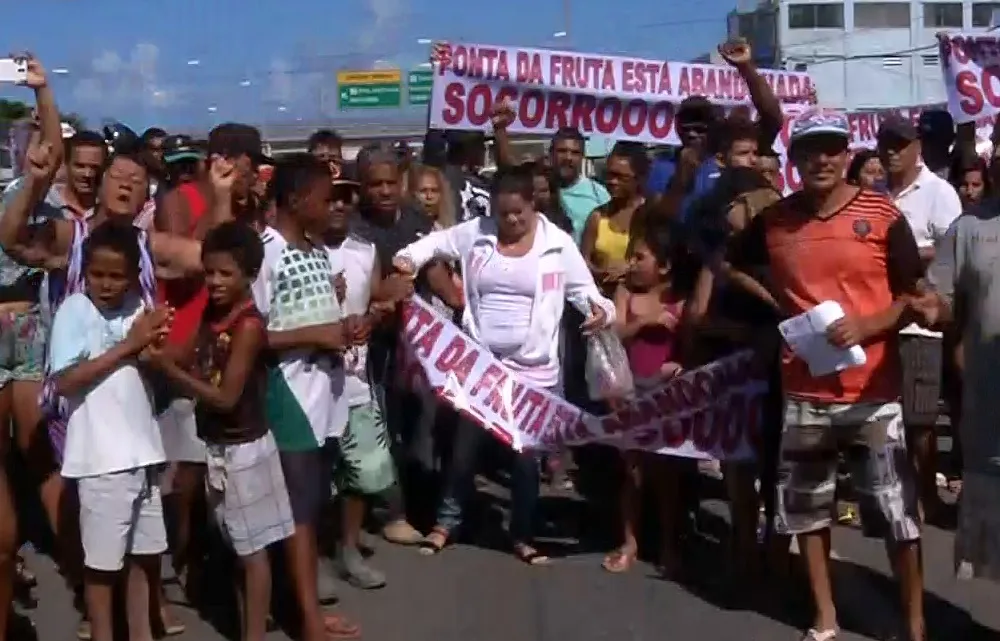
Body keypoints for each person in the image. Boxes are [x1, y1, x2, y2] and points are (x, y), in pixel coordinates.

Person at [729, 108, 928, 641]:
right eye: (809, 150)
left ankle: (914, 626)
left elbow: (914, 297)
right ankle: (825, 615)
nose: (821, 159)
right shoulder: (774, 221)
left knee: (898, 520)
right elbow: (728, 260)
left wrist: (868, 325)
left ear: (846, 155)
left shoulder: (883, 215)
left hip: (874, 394)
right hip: (804, 392)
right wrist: (779, 306)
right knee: (807, 512)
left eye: (832, 149)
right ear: (793, 160)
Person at [393, 166, 616, 564]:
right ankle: (447, 523)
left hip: (534, 371)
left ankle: (523, 533)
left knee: (525, 458)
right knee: (464, 449)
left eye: (519, 213)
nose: (511, 221)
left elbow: (587, 293)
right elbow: (434, 244)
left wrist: (600, 311)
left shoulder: (558, 244)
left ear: (534, 205)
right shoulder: (475, 232)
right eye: (503, 214)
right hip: (480, 365)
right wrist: (408, 258)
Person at [144, 222, 294, 641]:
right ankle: (250, 624)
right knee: (237, 543)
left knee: (252, 552)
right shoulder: (213, 312)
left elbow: (226, 397)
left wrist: (168, 370)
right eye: (209, 272)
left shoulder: (247, 326)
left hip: (243, 447)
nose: (214, 282)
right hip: (219, 445)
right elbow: (188, 353)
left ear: (248, 276)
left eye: (225, 274)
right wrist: (153, 350)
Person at [251, 153, 359, 640]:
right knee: (297, 513)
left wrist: (344, 327)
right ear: (295, 201)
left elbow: (311, 320)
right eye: (323, 197)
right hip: (287, 393)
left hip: (323, 396)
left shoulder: (316, 251)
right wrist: (316, 336)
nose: (332, 205)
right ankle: (308, 622)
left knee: (310, 508)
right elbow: (248, 334)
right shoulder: (265, 252)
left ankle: (302, 609)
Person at [48, 222, 173, 641]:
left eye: (115, 275)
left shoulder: (139, 305)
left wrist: (153, 352)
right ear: (84, 273)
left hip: (143, 453)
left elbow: (153, 365)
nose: (105, 284)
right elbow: (65, 381)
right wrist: (129, 347)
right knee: (102, 568)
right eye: (97, 274)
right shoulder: (75, 311)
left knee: (145, 558)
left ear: (133, 274)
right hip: (102, 459)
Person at [878, 115, 962, 520]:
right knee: (887, 418)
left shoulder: (938, 192)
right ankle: (897, 498)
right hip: (880, 322)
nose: (891, 151)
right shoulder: (877, 194)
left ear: (917, 148)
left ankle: (928, 497)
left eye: (899, 144)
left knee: (920, 418)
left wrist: (901, 252)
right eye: (885, 144)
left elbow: (953, 248)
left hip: (920, 322)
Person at [602, 224, 688, 575]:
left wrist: (680, 364)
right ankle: (630, 541)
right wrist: (647, 321)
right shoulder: (625, 292)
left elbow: (690, 341)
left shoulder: (680, 298)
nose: (632, 264)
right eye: (631, 256)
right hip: (632, 391)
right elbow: (616, 332)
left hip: (668, 394)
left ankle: (669, 543)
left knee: (667, 472)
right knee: (633, 472)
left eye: (640, 257)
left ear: (664, 266)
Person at [580, 145, 649, 294]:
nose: (613, 181)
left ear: (639, 178)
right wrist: (600, 272)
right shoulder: (597, 217)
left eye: (621, 177)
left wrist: (629, 268)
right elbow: (582, 261)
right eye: (609, 175)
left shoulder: (650, 214)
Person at [409, 164, 456, 229]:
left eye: (434, 191)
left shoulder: (448, 229)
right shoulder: (406, 229)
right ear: (412, 193)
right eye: (423, 191)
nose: (429, 196)